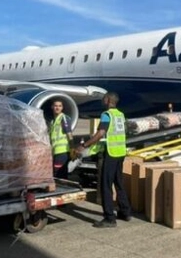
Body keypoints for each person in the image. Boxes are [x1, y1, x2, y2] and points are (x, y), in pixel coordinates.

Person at [78, 92, 132, 228]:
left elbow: (101, 133)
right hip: (120, 152)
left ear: (108, 100)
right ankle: (125, 212)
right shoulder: (120, 115)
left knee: (105, 186)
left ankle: (109, 218)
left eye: (104, 99)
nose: (103, 101)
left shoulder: (106, 115)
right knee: (119, 183)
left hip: (111, 153)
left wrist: (84, 145)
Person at [49, 100, 74, 179]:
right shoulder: (53, 122)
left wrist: (72, 149)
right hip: (56, 152)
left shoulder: (63, 118)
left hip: (63, 151)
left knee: (59, 174)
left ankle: (63, 190)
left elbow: (69, 134)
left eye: (60, 106)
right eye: (56, 106)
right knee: (57, 174)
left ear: (62, 108)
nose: (57, 108)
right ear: (52, 107)